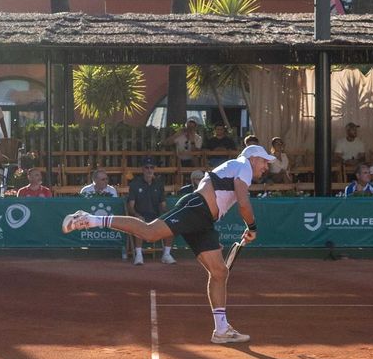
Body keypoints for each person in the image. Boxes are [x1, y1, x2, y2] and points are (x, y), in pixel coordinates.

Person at [63, 144, 276, 345]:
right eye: (264, 161)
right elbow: (244, 203)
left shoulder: (236, 166)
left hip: (205, 219)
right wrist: (253, 227)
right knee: (150, 232)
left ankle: (221, 330)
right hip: (196, 208)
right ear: (253, 158)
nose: (266, 166)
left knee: (220, 272)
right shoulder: (244, 166)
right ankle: (89, 219)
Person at [127, 160, 174, 265]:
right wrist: (137, 215)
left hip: (156, 216)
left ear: (154, 169)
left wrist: (169, 215)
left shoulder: (159, 184)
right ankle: (139, 255)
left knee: (171, 222)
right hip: (140, 215)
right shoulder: (135, 184)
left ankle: (166, 255)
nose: (149, 170)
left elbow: (163, 205)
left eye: (151, 167)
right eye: (147, 167)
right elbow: (130, 206)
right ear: (143, 169)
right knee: (139, 222)